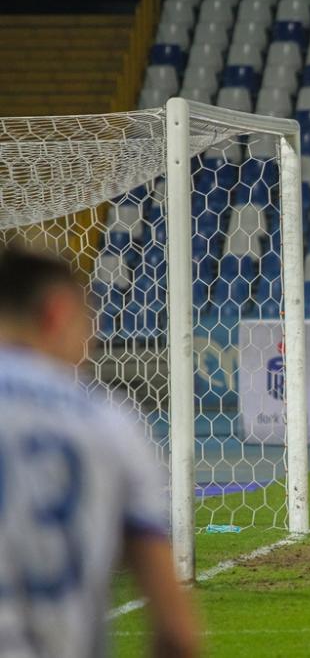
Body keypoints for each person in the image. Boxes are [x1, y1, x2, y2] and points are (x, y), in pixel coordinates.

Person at [0, 245, 198, 657]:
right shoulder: (109, 423)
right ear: (57, 313)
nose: (92, 338)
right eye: (88, 319)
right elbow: (177, 634)